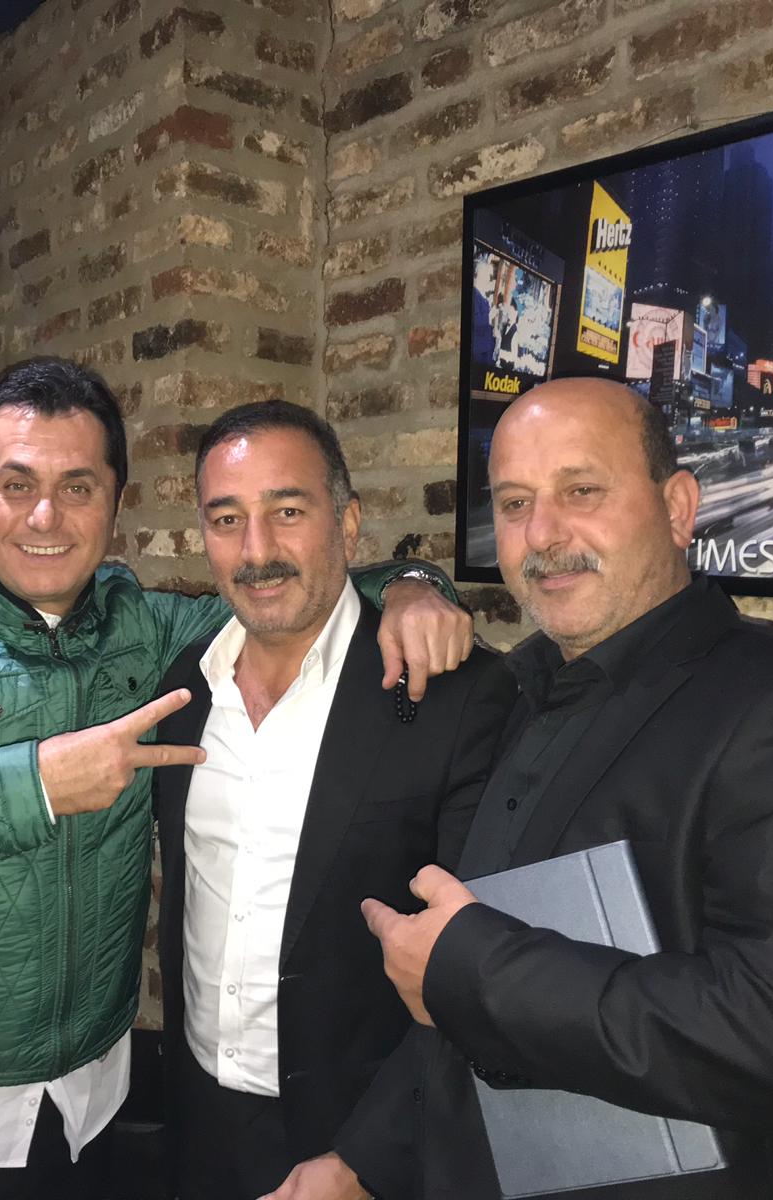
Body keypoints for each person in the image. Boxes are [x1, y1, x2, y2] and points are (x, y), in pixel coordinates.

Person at [0, 356, 472, 1200]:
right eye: (16, 485)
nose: (45, 517)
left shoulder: (146, 626)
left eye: (78, 487)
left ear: (115, 502)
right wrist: (33, 786)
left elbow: (283, 587)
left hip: (90, 1109)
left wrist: (416, 585)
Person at [266, 376, 773, 1200]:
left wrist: (468, 969)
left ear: (678, 508)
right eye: (514, 504)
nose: (542, 534)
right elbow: (459, 999)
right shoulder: (511, 696)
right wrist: (361, 1162)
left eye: (581, 491)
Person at [148, 401, 516, 1200]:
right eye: (226, 519)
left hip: (360, 1143)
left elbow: (487, 964)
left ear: (347, 525)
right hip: (198, 1124)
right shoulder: (182, 690)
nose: (257, 551)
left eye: (287, 511)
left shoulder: (455, 700)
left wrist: (368, 1158)